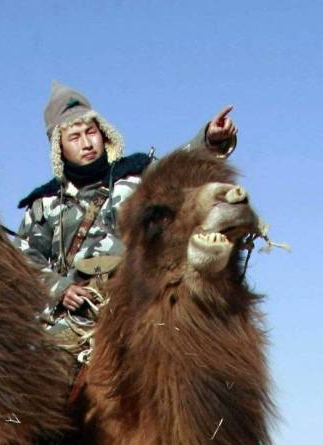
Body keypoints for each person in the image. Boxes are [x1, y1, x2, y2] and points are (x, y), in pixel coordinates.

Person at [16, 81, 238, 355]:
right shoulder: (45, 203)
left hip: (142, 301)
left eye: (91, 131)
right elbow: (24, 260)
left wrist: (208, 140)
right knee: (48, 377)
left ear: (103, 133)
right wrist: (61, 289)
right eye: (74, 137)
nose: (86, 143)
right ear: (58, 147)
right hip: (79, 319)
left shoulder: (137, 175)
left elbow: (178, 168)